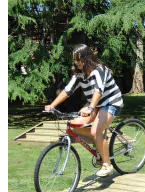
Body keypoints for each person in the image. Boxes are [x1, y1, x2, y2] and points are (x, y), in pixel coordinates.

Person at [45, 44, 124, 177]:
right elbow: (68, 90)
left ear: (87, 58)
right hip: (95, 103)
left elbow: (98, 91)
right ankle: (100, 141)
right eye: (75, 60)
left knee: (95, 131)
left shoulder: (99, 70)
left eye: (79, 59)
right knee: (75, 125)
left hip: (111, 102)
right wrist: (52, 105)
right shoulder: (78, 73)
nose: (77, 63)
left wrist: (91, 108)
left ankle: (107, 165)